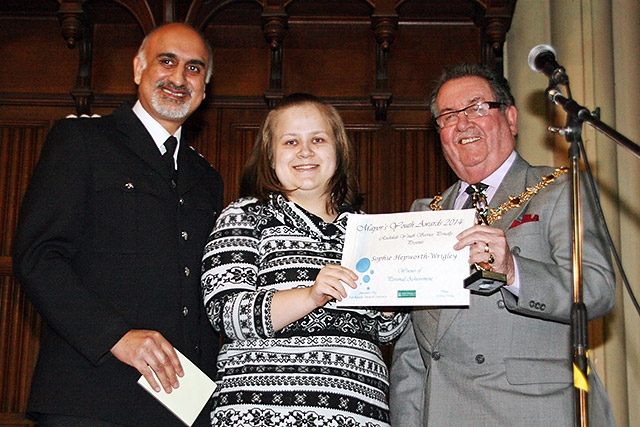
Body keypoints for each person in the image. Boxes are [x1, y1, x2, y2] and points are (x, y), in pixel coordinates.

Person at [12, 23, 223, 427]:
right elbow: (39, 257)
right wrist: (114, 336)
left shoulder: (206, 178)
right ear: (138, 68)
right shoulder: (83, 140)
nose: (179, 78)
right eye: (167, 61)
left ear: (204, 87)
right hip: (89, 399)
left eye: (194, 69)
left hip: (179, 405)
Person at [389, 63, 616, 426]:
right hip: (445, 413)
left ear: (510, 118)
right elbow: (413, 351)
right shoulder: (423, 215)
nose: (462, 123)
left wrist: (513, 270)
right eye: (448, 116)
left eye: (477, 108)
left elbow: (597, 290)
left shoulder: (561, 189)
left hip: (535, 411)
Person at [201, 93, 409, 427]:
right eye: (290, 142)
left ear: (338, 151)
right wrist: (311, 295)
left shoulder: (367, 229)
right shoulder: (244, 216)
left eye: (318, 139)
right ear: (270, 157)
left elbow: (386, 331)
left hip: (358, 413)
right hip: (261, 414)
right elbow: (226, 314)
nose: (305, 152)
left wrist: (394, 300)